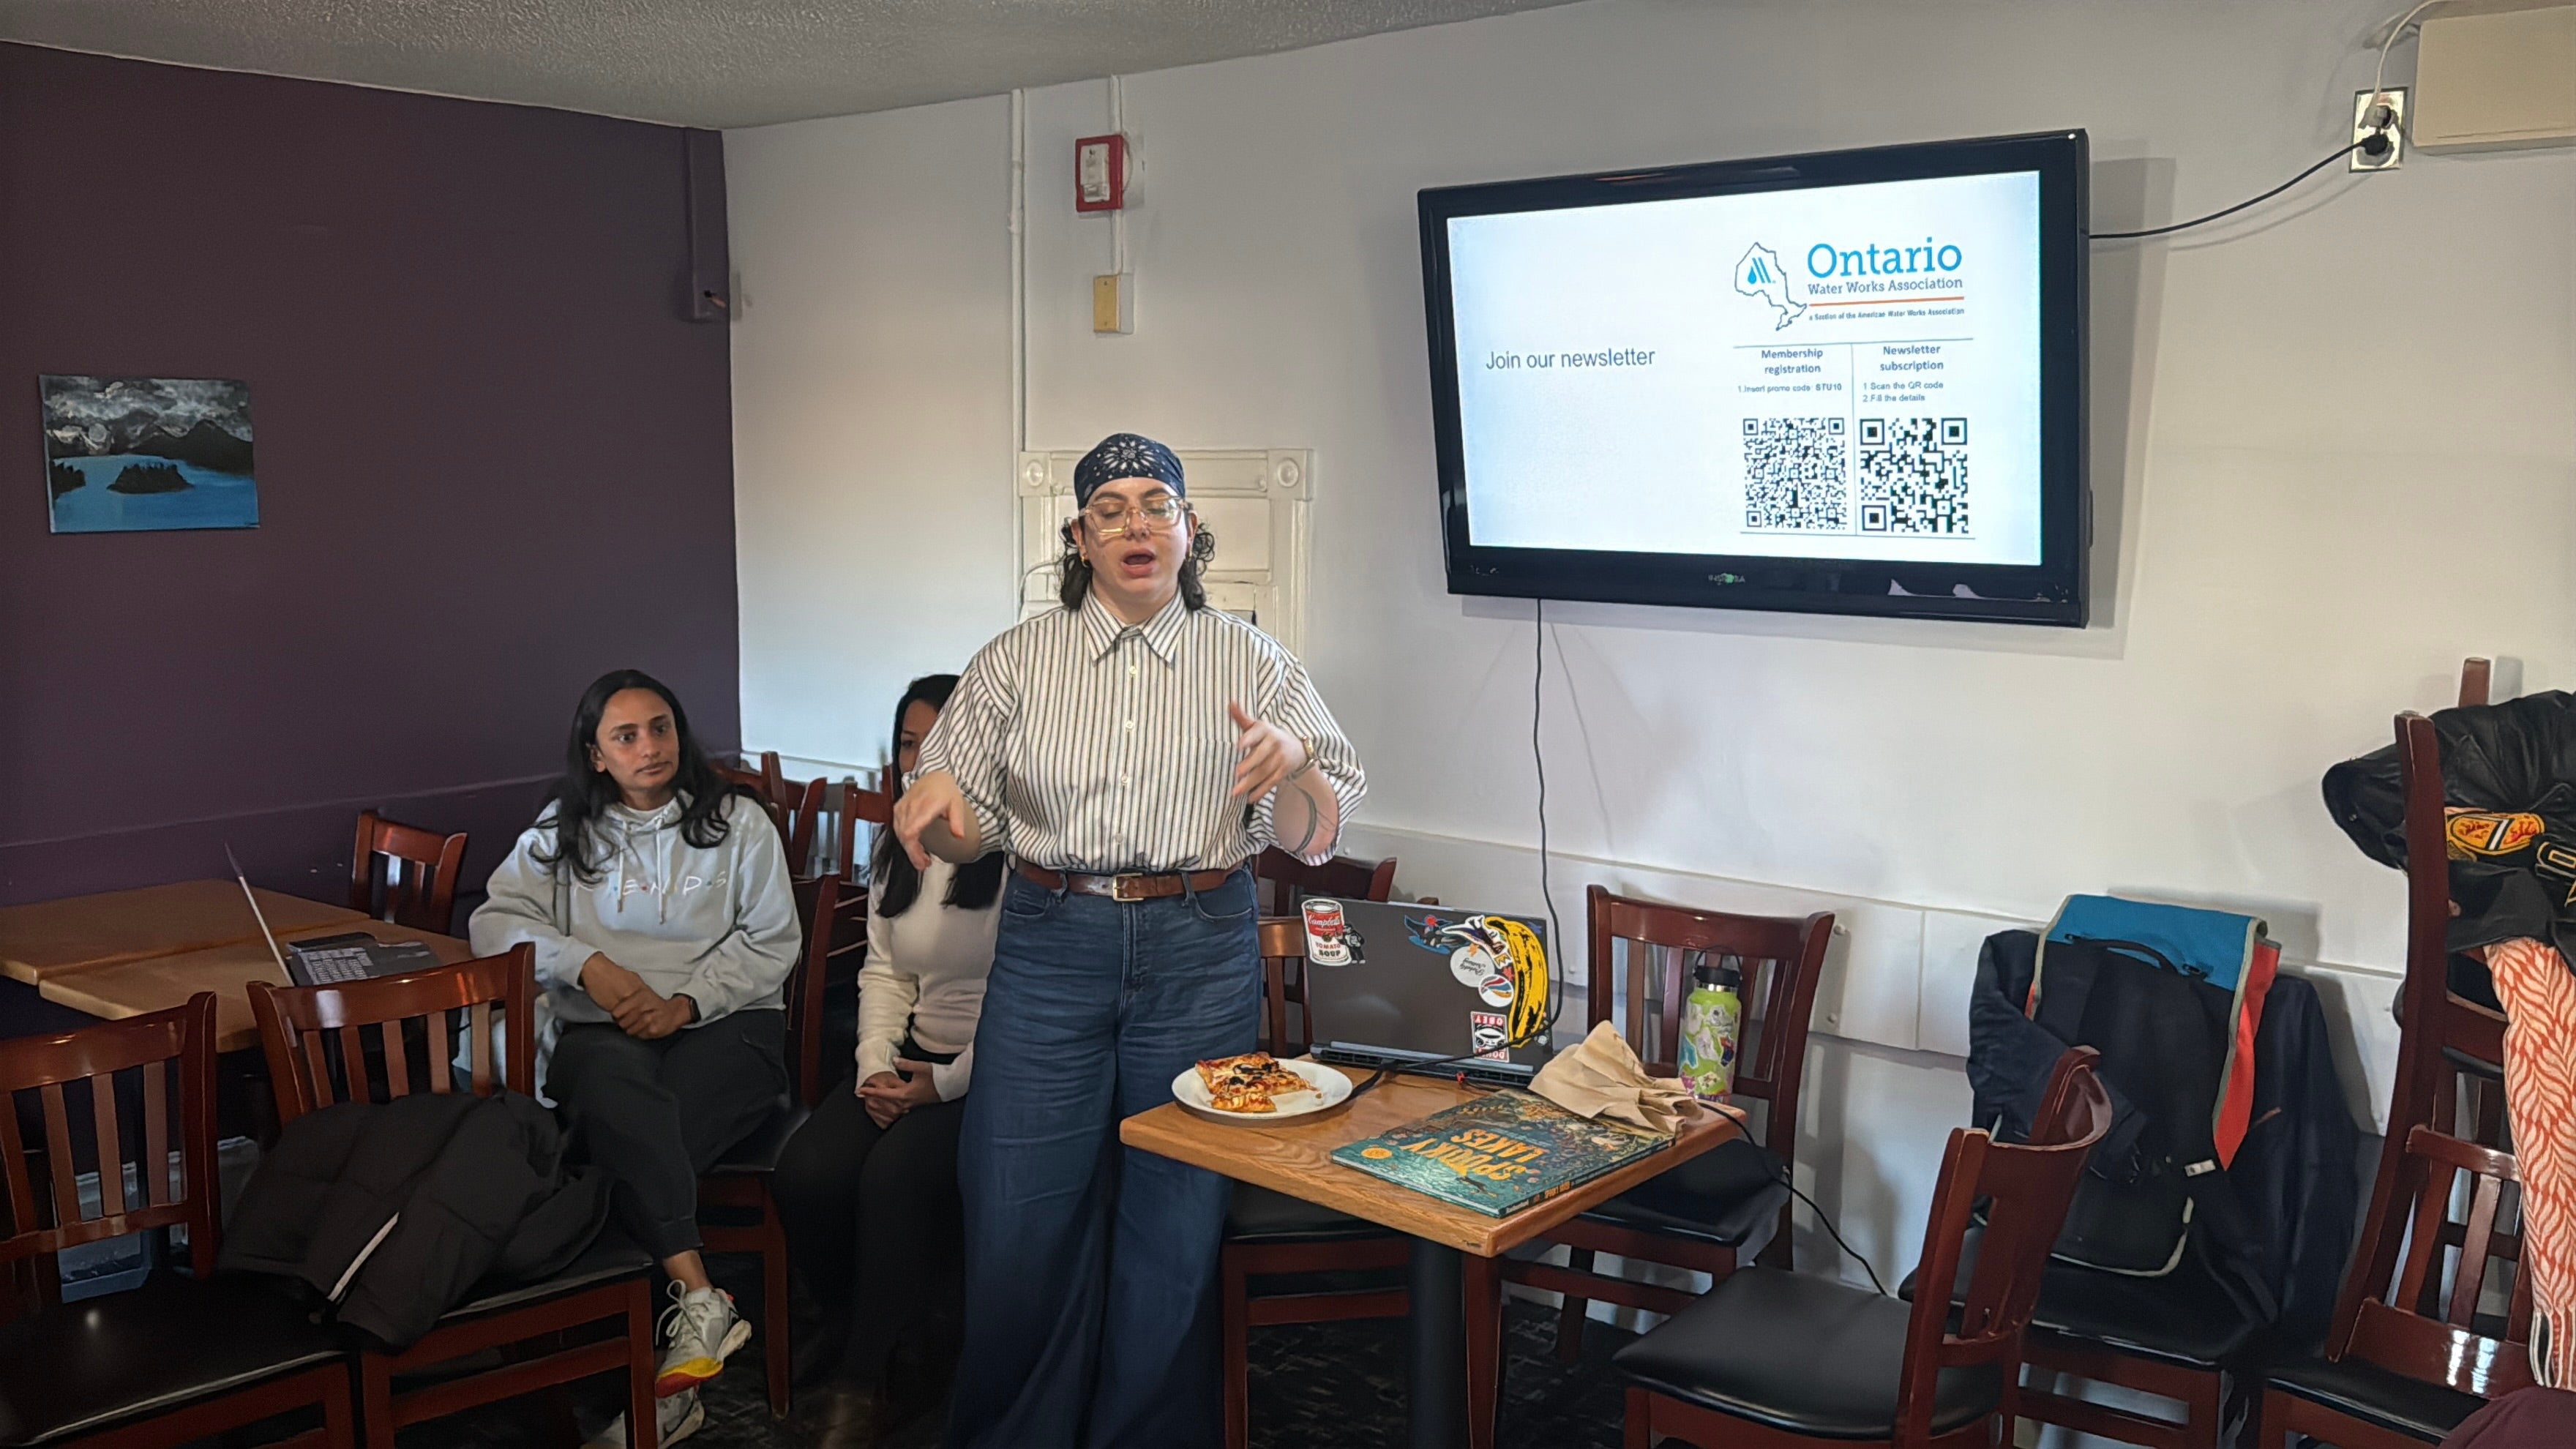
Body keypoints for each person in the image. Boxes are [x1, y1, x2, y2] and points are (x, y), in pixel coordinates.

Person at [894, 433, 1365, 1447]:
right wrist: (937, 808)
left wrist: (1290, 766)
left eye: (1159, 505)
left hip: (1202, 947)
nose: (1137, 525)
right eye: (1112, 510)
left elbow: (1316, 838)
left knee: (1175, 1225)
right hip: (1052, 944)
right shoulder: (1016, 658)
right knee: (1020, 1217)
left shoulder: (1252, 658)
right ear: (1080, 537)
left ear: (1191, 531)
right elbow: (968, 820)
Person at [472, 668, 801, 1449]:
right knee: (618, 1104)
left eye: (660, 728)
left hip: (726, 1027)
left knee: (619, 1155)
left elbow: (772, 944)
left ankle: (648, 1373)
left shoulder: (737, 823)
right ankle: (696, 1305)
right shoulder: (565, 828)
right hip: (607, 1032)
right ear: (596, 755)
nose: (649, 747)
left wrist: (685, 1003)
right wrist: (587, 964)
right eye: (626, 736)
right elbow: (495, 920)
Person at [773, 673, 1003, 1448]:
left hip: (985, 1074)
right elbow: (884, 970)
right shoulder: (897, 843)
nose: (919, 759)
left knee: (894, 1177)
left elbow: (1029, 998)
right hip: (905, 1057)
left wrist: (942, 1084)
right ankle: (858, 1322)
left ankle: (863, 1378)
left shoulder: (1015, 853)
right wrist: (876, 1063)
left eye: (936, 743)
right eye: (908, 743)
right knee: (806, 1170)